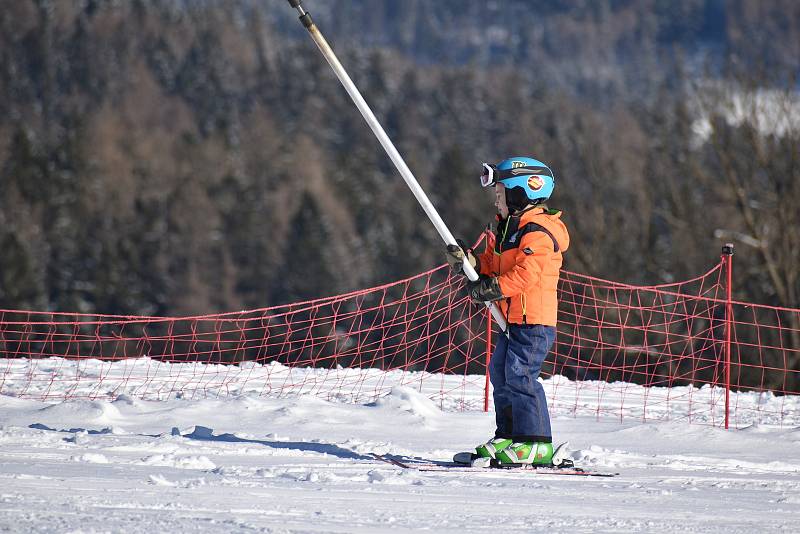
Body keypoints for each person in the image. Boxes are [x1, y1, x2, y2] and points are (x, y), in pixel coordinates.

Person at [446, 156, 570, 465]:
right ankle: (510, 436)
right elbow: (492, 264)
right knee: (500, 373)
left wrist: (492, 288)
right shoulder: (507, 230)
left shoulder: (538, 232)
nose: (496, 201)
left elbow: (527, 275)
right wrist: (470, 263)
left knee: (521, 375)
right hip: (513, 321)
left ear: (521, 193)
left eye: (500, 194)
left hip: (534, 321)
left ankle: (536, 442)